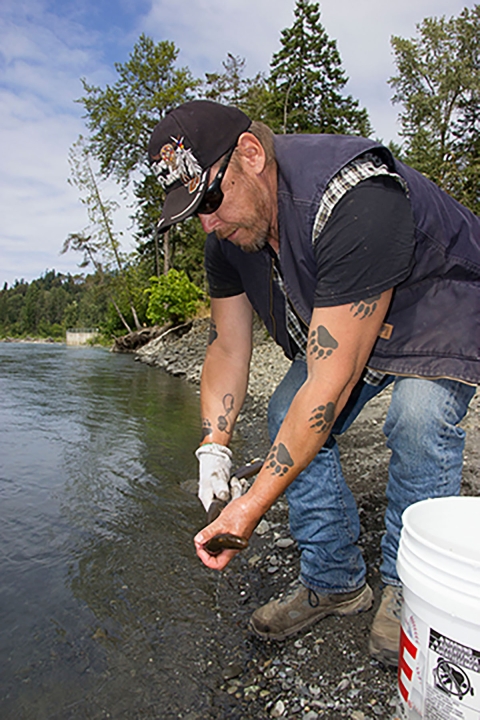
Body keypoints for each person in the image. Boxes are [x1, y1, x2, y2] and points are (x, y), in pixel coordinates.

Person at [148, 100, 479, 667]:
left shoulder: (355, 197)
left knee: (419, 420)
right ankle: (335, 581)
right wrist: (214, 447)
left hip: (440, 297)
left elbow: (329, 383)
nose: (207, 221)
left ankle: (409, 587)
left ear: (251, 155)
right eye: (192, 210)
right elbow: (227, 346)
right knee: (284, 412)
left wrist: (250, 507)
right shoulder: (226, 238)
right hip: (347, 310)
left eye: (209, 199)